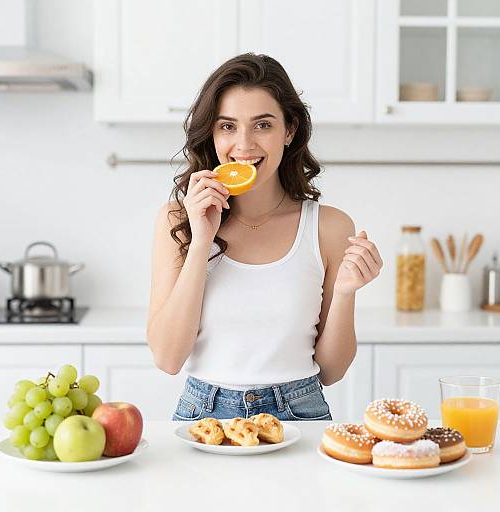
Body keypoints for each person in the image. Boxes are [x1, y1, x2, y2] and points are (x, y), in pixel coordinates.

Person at [147, 53, 383, 422]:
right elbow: (167, 358)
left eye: (262, 125)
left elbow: (332, 372)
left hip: (300, 413)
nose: (243, 144)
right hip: (202, 416)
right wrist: (201, 239)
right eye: (227, 126)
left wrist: (346, 292)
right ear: (211, 132)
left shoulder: (330, 227)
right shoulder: (178, 220)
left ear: (288, 131)